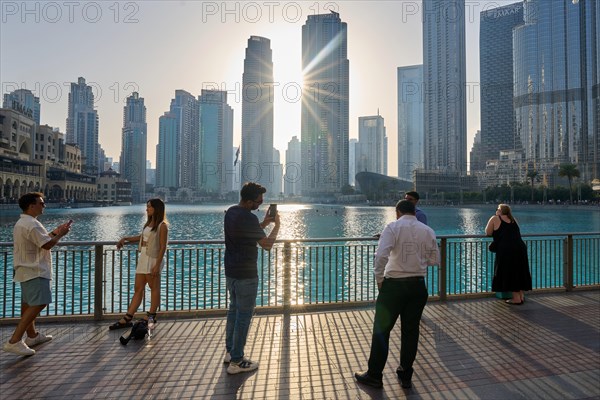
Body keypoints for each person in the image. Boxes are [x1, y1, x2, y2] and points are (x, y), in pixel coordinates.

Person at [355, 200, 440, 389]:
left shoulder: (393, 227)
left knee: (381, 330)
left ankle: (375, 375)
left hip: (394, 287)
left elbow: (381, 256)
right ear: (415, 212)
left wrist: (380, 280)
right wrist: (417, 261)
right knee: (411, 331)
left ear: (398, 212)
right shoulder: (427, 231)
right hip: (418, 287)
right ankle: (405, 374)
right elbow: (435, 260)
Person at [3, 192, 72, 356]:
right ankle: (14, 341)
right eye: (41, 203)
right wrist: (60, 235)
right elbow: (46, 245)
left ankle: (32, 336)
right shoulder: (32, 224)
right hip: (35, 270)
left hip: (25, 269)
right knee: (39, 303)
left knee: (28, 304)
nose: (44, 205)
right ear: (31, 206)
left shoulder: (24, 222)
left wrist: (55, 232)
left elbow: (41, 241)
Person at [223, 182, 280, 374]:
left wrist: (263, 223)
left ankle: (230, 352)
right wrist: (277, 227)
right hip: (246, 274)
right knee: (243, 317)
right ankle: (237, 361)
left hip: (231, 272)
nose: (260, 204)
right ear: (248, 201)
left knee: (233, 311)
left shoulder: (231, 212)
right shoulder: (248, 218)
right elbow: (266, 245)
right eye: (258, 202)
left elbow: (245, 232)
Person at [109, 198, 169, 329]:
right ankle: (128, 317)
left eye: (149, 207)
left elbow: (163, 246)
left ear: (156, 209)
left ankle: (151, 315)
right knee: (138, 288)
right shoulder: (148, 224)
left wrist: (157, 265)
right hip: (143, 258)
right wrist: (125, 239)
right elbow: (142, 238)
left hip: (153, 259)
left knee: (154, 288)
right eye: (147, 207)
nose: (146, 209)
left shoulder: (162, 226)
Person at [485, 204, 532, 305]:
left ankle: (516, 299)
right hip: (520, 247)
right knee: (520, 270)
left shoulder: (495, 218)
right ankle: (521, 296)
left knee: (510, 271)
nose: (496, 211)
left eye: (497, 209)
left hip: (507, 249)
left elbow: (488, 232)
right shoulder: (513, 219)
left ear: (500, 211)